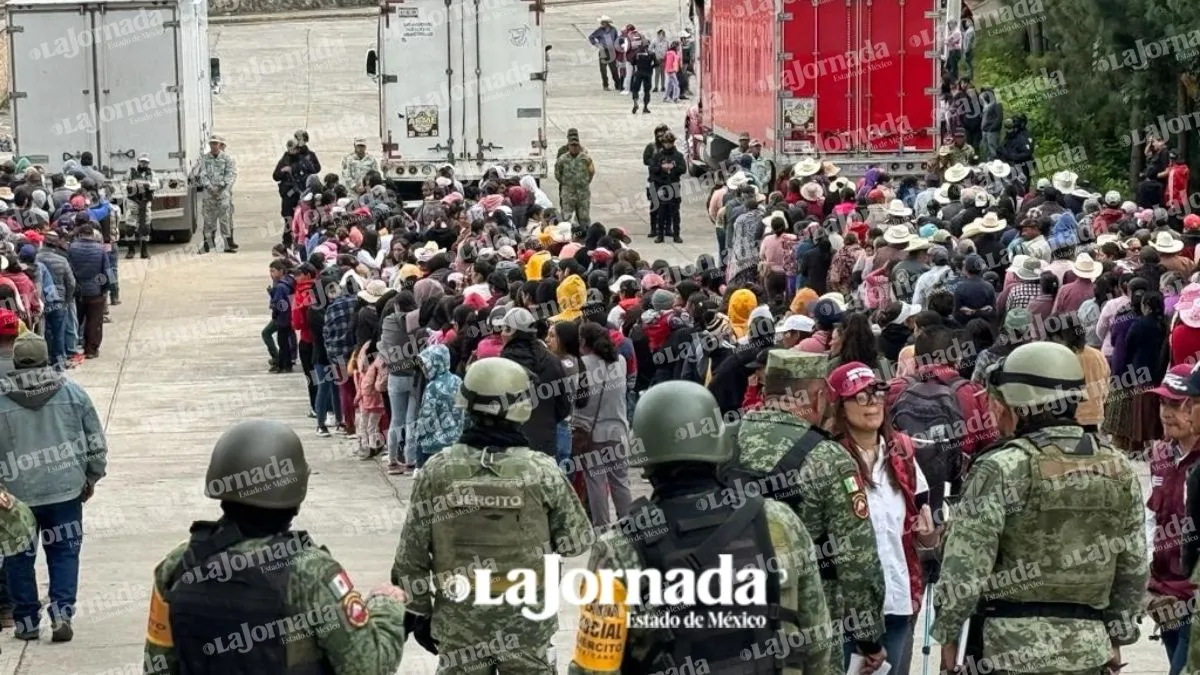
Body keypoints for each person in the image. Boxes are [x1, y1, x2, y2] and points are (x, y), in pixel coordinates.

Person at [568, 379, 832, 674]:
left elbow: (594, 668)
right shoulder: (778, 521)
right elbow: (816, 637)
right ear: (720, 446)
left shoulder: (618, 547)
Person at [933, 342, 1147, 675]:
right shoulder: (1118, 468)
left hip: (1006, 651)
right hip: (1088, 649)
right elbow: (1133, 567)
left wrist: (947, 639)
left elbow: (965, 568)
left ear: (1014, 405)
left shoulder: (1000, 468)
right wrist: (1116, 639)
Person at [142, 419, 407, 674]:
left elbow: (158, 664)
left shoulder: (178, 564)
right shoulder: (310, 572)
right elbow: (369, 666)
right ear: (296, 493)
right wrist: (387, 606)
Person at [392, 357, 591, 673]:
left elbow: (410, 558)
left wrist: (419, 613)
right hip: (526, 627)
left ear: (467, 406)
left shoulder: (437, 472)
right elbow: (576, 541)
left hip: (459, 626)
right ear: (520, 409)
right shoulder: (541, 471)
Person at [719, 350, 888, 672]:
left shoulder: (723, 439)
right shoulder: (828, 459)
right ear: (818, 396)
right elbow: (857, 560)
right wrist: (870, 639)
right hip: (804, 622)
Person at [828, 361, 940, 673]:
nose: (873, 403)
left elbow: (926, 532)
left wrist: (929, 533)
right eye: (860, 396)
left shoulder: (901, 452)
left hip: (897, 600)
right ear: (839, 406)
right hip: (844, 609)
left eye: (877, 393)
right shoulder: (827, 459)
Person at [0, 333, 105, 642]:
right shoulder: (74, 394)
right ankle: (61, 613)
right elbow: (96, 442)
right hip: (66, 490)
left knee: (18, 556)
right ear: (47, 359)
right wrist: (92, 477)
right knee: (64, 553)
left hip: (16, 496)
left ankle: (26, 622)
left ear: (15, 362)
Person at [575, 321, 631, 527]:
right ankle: (628, 526)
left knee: (595, 481)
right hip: (618, 430)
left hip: (592, 433)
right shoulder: (621, 362)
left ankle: (602, 529)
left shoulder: (582, 365)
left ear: (583, 341)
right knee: (620, 481)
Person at [66, 224, 112, 359]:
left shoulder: (72, 248)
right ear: (92, 234)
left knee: (76, 320)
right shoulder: (100, 250)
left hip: (77, 291)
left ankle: (72, 348)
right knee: (94, 322)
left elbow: (68, 270)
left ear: (80, 234)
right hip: (95, 292)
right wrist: (105, 288)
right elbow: (107, 271)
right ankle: (91, 349)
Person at [194, 134, 238, 253]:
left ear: (220, 145)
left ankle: (227, 245)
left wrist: (221, 185)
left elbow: (230, 174)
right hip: (209, 194)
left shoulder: (227, 158)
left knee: (225, 220)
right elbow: (202, 174)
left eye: (215, 143)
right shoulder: (205, 158)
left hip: (222, 193)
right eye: (211, 143)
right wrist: (209, 186)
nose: (213, 146)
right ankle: (208, 245)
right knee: (208, 221)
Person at [555, 132, 595, 227]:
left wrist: (585, 182)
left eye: (576, 145)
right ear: (568, 146)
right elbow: (557, 173)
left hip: (583, 193)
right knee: (566, 217)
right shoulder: (562, 159)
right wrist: (566, 184)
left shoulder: (585, 158)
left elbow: (592, 171)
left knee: (584, 217)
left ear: (579, 146)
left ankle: (584, 236)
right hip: (568, 193)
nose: (574, 147)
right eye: (572, 145)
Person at [124, 155, 154, 260]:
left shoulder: (151, 174)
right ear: (138, 162)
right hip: (133, 202)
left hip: (145, 202)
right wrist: (128, 187)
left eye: (146, 162)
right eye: (142, 162)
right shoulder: (131, 172)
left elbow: (157, 184)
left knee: (146, 227)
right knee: (129, 227)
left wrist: (149, 186)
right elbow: (123, 183)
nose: (144, 164)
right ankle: (131, 250)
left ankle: (144, 251)